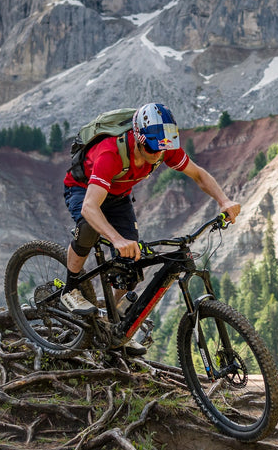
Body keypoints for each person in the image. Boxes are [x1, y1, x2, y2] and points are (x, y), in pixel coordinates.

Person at [60, 103, 240, 320]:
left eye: (162, 148)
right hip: (82, 189)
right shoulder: (110, 153)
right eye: (152, 149)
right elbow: (90, 207)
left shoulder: (163, 147)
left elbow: (199, 175)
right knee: (88, 227)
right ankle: (70, 288)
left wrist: (224, 201)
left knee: (132, 265)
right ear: (138, 139)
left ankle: (113, 322)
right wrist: (116, 240)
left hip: (117, 195)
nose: (157, 155)